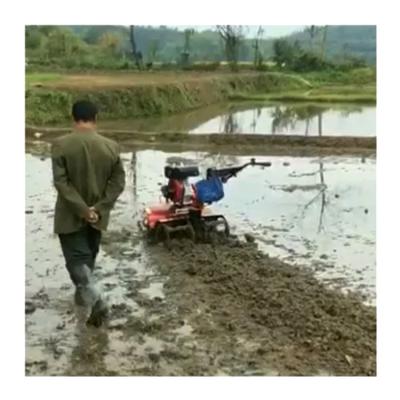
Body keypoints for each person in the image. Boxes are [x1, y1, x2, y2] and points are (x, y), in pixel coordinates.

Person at [51, 100, 125, 327]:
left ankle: (98, 300)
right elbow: (118, 182)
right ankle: (83, 300)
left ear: (73, 118)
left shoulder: (61, 145)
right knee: (87, 260)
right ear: (95, 118)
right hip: (98, 218)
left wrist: (83, 211)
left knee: (77, 264)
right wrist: (98, 209)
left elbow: (61, 184)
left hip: (70, 217)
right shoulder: (111, 147)